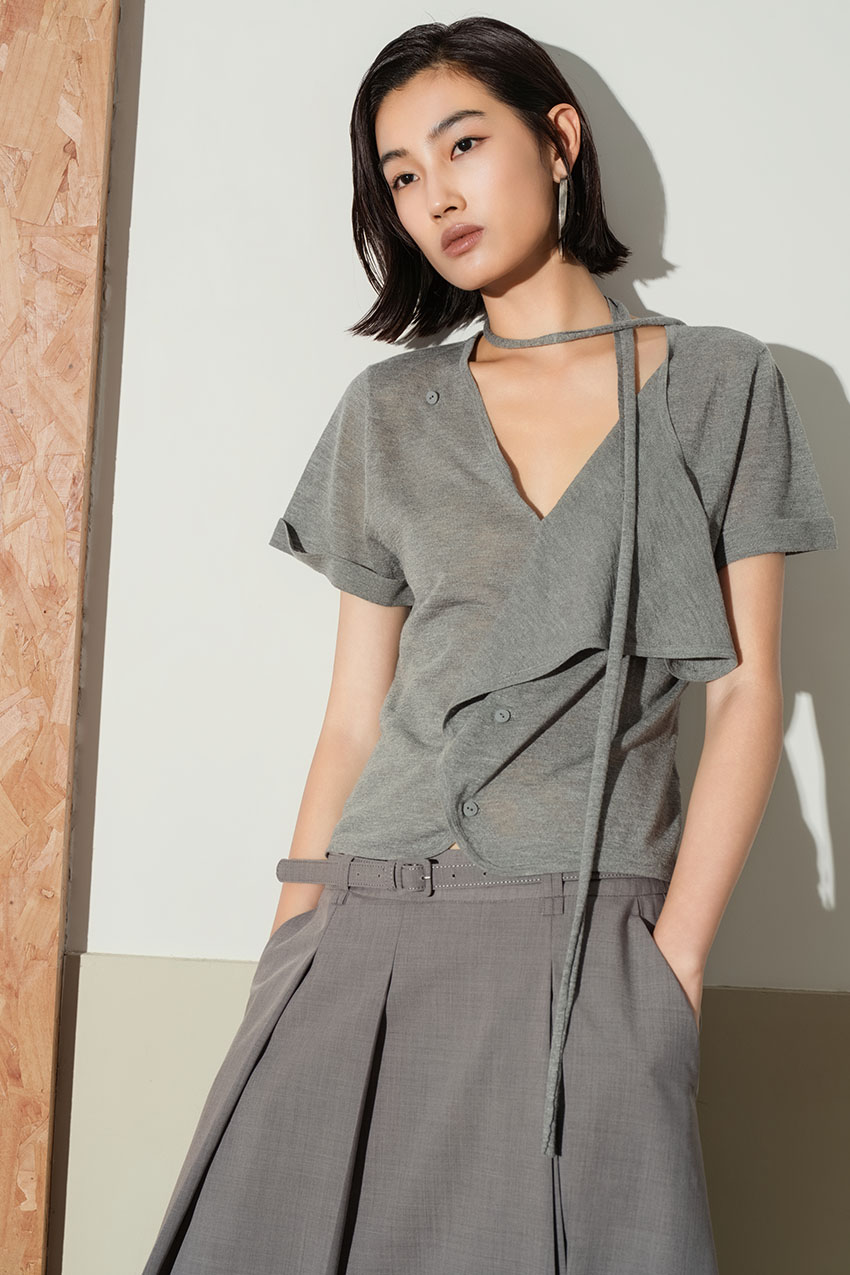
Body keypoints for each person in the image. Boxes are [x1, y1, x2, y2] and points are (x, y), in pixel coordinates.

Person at [141, 16, 837, 1275]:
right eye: (402, 174)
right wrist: (288, 945)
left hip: (587, 929)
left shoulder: (724, 384)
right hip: (365, 919)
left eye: (462, 145)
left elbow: (747, 695)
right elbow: (354, 716)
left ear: (557, 139)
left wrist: (672, 964)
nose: (436, 195)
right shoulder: (388, 411)